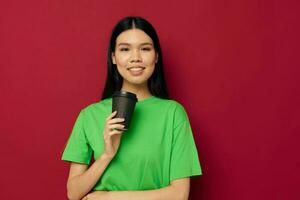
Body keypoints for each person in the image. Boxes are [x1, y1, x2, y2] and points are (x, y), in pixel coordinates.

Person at [61, 16, 202, 200]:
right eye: (125, 49)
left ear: (156, 56)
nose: (135, 58)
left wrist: (110, 198)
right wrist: (107, 155)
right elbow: (73, 193)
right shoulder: (89, 116)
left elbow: (179, 194)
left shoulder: (173, 113)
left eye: (145, 49)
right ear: (113, 57)